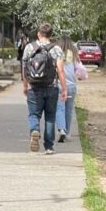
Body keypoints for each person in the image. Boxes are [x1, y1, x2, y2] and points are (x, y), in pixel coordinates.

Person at [22, 24, 67, 155]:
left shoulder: (30, 48)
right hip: (51, 87)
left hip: (34, 87)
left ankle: (35, 130)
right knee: (50, 116)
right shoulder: (57, 49)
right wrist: (64, 89)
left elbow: (24, 69)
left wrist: (25, 86)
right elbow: (61, 70)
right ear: (51, 35)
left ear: (38, 33)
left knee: (34, 114)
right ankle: (49, 146)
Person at [55, 36, 83, 142]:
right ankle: (67, 133)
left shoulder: (56, 53)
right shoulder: (74, 53)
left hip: (59, 84)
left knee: (59, 108)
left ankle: (61, 129)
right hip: (71, 85)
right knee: (69, 110)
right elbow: (79, 68)